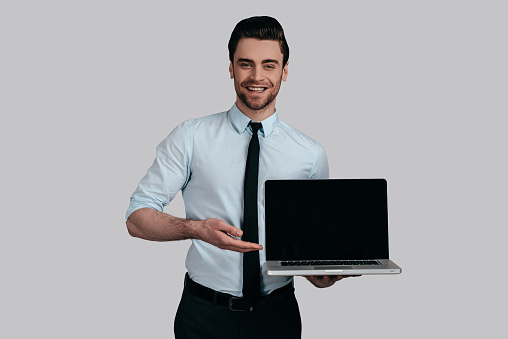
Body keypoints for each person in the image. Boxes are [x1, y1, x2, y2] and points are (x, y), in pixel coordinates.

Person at [126, 16, 353, 339]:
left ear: (285, 71)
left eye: (269, 65)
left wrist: (318, 273)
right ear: (231, 68)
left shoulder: (310, 154)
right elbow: (136, 219)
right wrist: (197, 229)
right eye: (246, 64)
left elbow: (309, 242)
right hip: (203, 315)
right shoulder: (191, 137)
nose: (257, 76)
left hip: (277, 316)